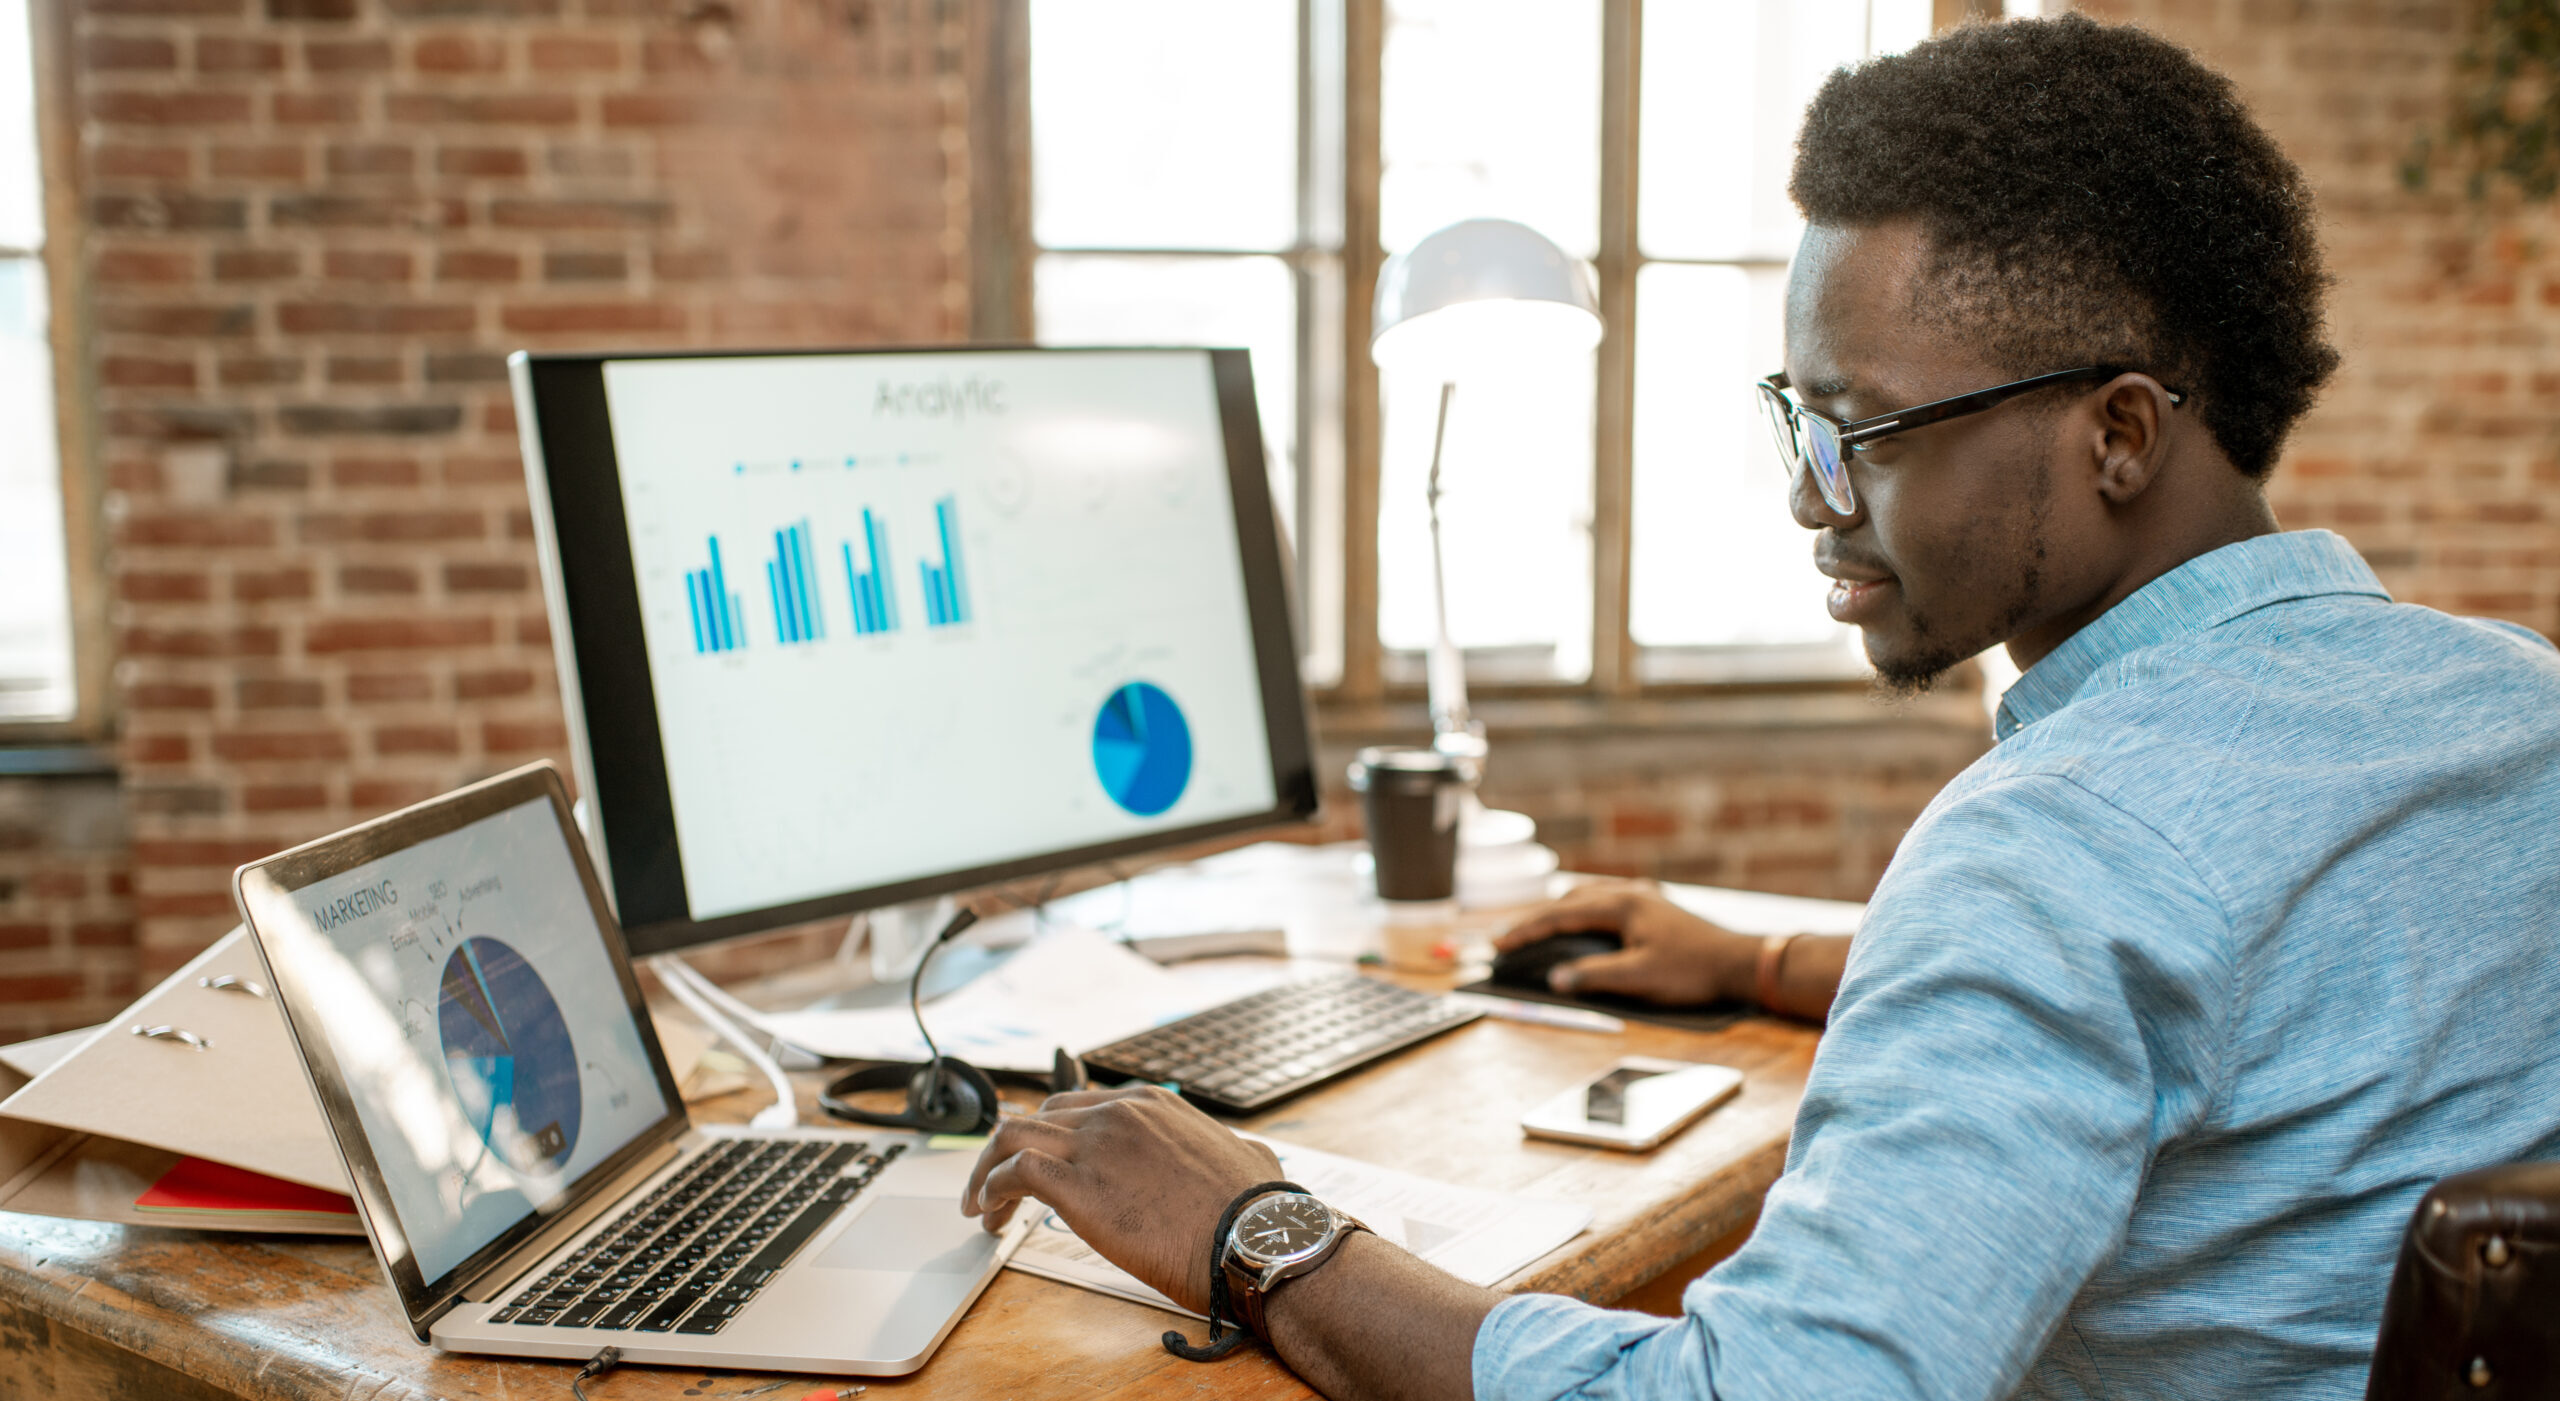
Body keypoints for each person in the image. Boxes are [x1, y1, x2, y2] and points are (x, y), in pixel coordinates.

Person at [961, 15, 2560, 1400]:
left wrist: (1262, 1227)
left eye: (1862, 432)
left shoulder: (2054, 853)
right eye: (1796, 421)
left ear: (2122, 434)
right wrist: (1763, 963)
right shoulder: (2512, 707)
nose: (1810, 501)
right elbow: (2248, 989)